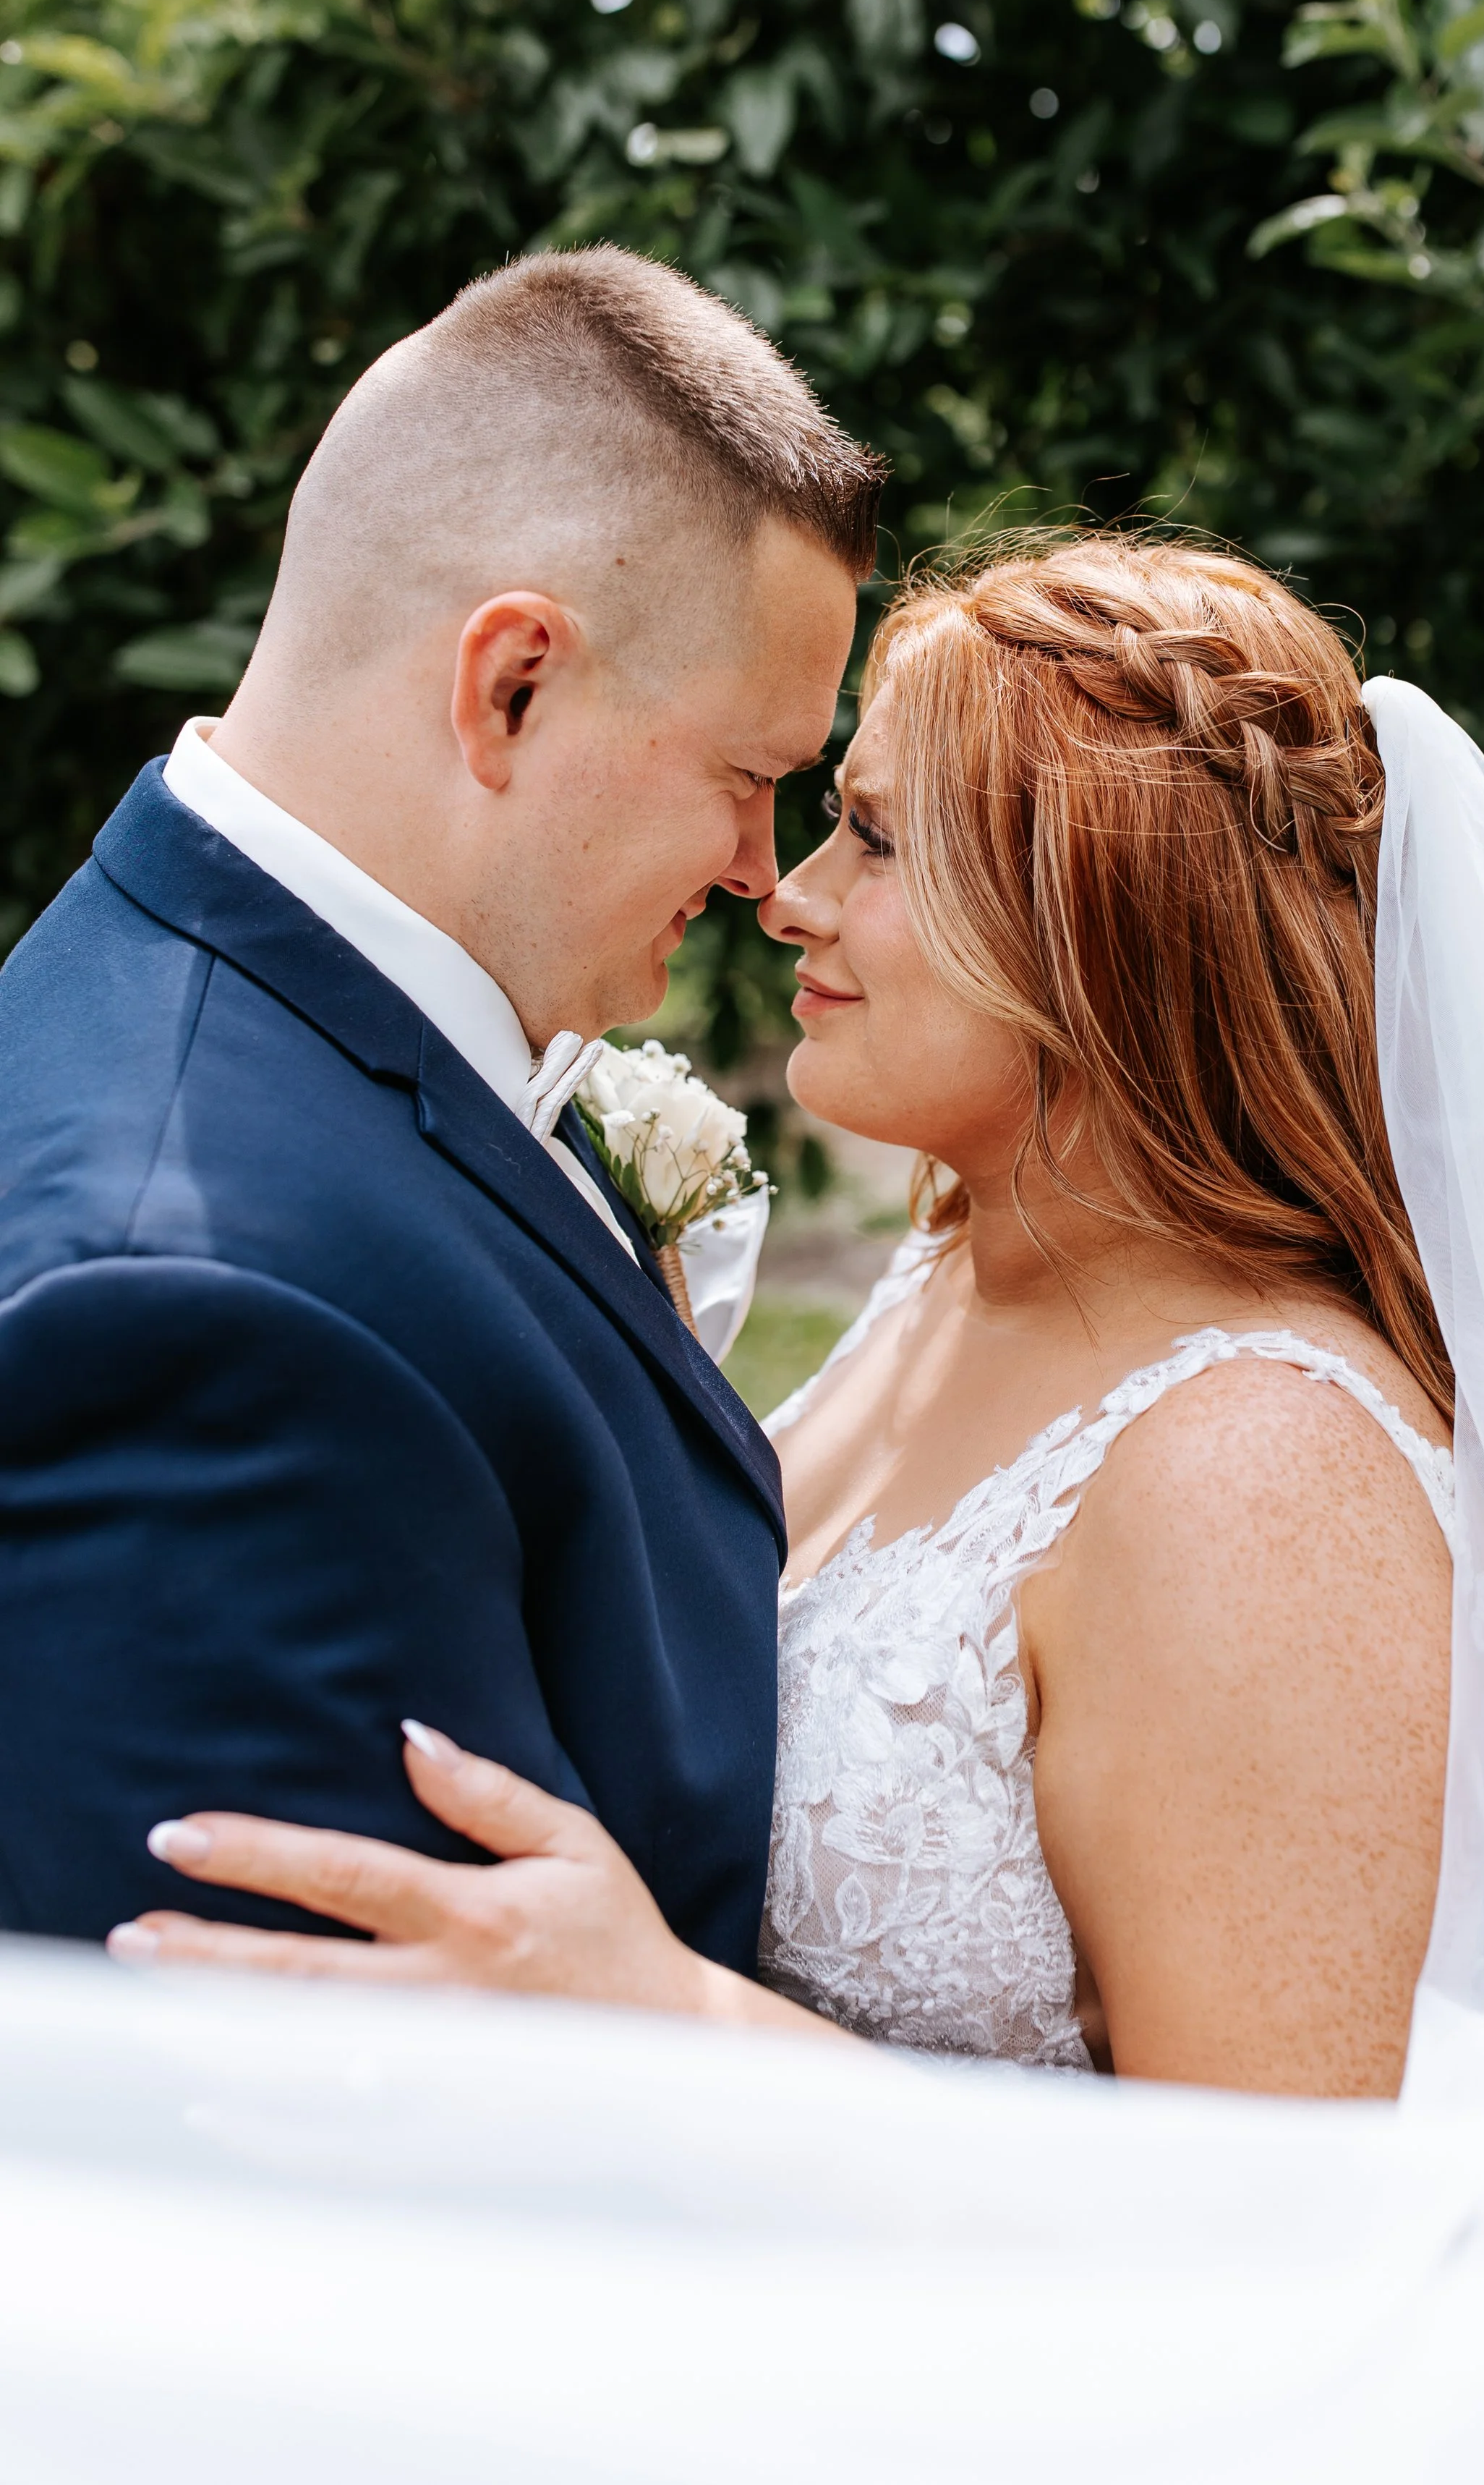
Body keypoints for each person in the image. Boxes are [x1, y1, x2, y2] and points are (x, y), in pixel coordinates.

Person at [109, 535, 1484, 2107]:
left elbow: (1284, 2245)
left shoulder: (1261, 1481)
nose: (789, 895)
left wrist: (677, 2032)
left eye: (878, 837)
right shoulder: (950, 1264)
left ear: (1095, 924)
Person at [0, 244, 879, 1972]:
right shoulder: (199, 1310)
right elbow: (331, 2170)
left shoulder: (201, 1006)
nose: (761, 874)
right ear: (512, 686)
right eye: (748, 778)